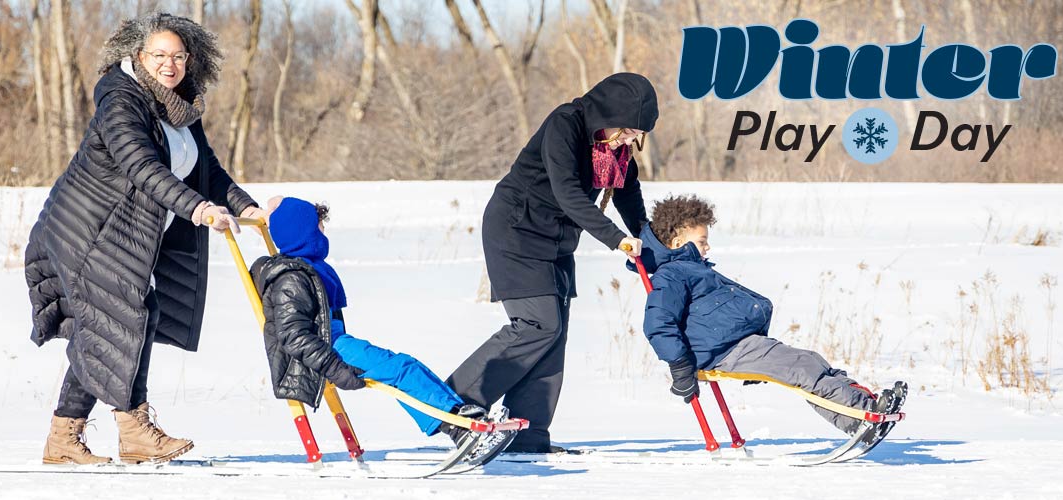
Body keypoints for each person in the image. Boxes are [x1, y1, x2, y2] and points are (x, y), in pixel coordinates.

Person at [25, 13, 268, 465]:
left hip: (124, 233)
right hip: (84, 230)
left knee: (114, 322)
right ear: (138, 56)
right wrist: (195, 208)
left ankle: (64, 439)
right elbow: (141, 165)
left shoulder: (179, 106)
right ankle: (133, 430)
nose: (169, 65)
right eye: (158, 56)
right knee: (125, 316)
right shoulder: (121, 101)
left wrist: (245, 206)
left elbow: (207, 171)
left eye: (177, 56)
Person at [445, 73, 658, 453]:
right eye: (626, 131)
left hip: (557, 242)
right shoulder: (566, 124)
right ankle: (452, 404)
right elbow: (567, 193)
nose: (629, 141)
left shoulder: (613, 150)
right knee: (537, 323)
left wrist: (650, 240)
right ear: (608, 113)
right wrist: (616, 238)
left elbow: (627, 192)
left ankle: (528, 434)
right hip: (516, 230)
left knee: (553, 333)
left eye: (635, 136)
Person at [251, 197, 515, 459]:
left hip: (334, 342)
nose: (323, 233)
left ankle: (463, 418)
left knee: (405, 366)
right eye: (318, 227)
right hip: (325, 352)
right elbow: (293, 336)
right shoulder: (291, 278)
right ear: (302, 232)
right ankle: (461, 430)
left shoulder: (306, 268)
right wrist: (334, 367)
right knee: (400, 370)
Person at [636, 194, 904, 434]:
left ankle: (867, 405)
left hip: (739, 345)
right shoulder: (672, 274)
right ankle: (859, 418)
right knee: (803, 368)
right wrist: (680, 365)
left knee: (811, 361)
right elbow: (658, 323)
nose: (707, 248)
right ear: (678, 241)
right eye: (702, 242)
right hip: (722, 352)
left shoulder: (694, 269)